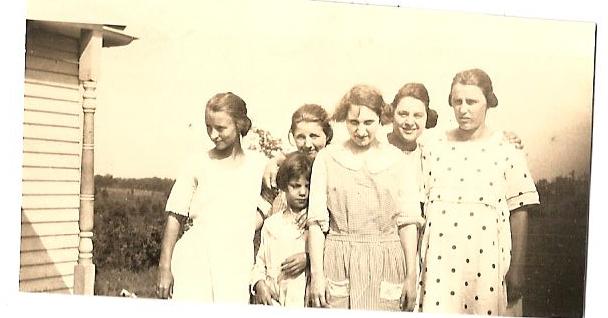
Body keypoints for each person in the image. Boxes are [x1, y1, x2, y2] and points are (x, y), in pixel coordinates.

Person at [416, 69, 539, 316]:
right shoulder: (431, 145)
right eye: (457, 101)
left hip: (486, 264)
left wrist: (517, 269)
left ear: (488, 103)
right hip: (439, 265)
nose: (464, 109)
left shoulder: (506, 149)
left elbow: (520, 209)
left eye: (472, 101)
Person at [307, 84, 423, 311]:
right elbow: (316, 223)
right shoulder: (328, 158)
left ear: (381, 119)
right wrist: (317, 275)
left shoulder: (398, 161)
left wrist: (411, 275)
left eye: (368, 122)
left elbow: (408, 223)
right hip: (339, 259)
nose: (361, 130)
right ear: (344, 120)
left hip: (387, 260)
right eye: (354, 122)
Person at [157, 92, 267, 303]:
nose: (214, 134)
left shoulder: (259, 165)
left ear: (240, 124)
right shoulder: (197, 163)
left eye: (221, 128)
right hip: (195, 257)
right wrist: (164, 266)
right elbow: (175, 215)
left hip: (236, 260)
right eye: (209, 127)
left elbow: (268, 205)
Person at [251, 152, 314, 307]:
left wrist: (308, 257)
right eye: (296, 186)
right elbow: (260, 262)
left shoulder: (315, 223)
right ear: (285, 186)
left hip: (303, 300)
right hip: (274, 299)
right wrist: (259, 284)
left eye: (308, 186)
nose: (303, 192)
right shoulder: (272, 224)